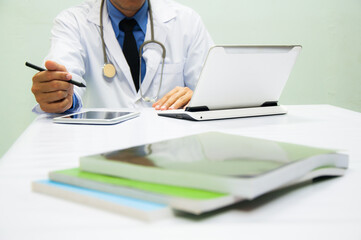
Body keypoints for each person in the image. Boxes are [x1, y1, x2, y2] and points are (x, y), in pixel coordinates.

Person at [31, 0, 213, 113]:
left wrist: (198, 97)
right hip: (104, 147)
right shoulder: (73, 22)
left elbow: (213, 92)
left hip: (171, 148)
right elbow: (66, 80)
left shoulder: (186, 21)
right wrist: (59, 94)